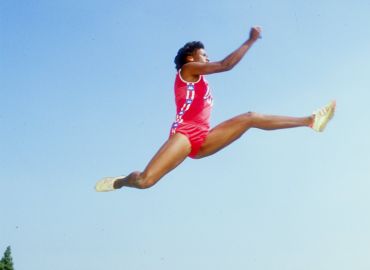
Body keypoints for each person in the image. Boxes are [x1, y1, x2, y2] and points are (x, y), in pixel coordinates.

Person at [95, 26, 335, 192]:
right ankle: (121, 181)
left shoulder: (202, 82)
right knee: (146, 181)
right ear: (191, 59)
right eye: (203, 55)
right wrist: (250, 40)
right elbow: (226, 65)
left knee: (250, 118)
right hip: (184, 134)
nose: (207, 59)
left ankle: (309, 121)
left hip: (204, 137)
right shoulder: (187, 72)